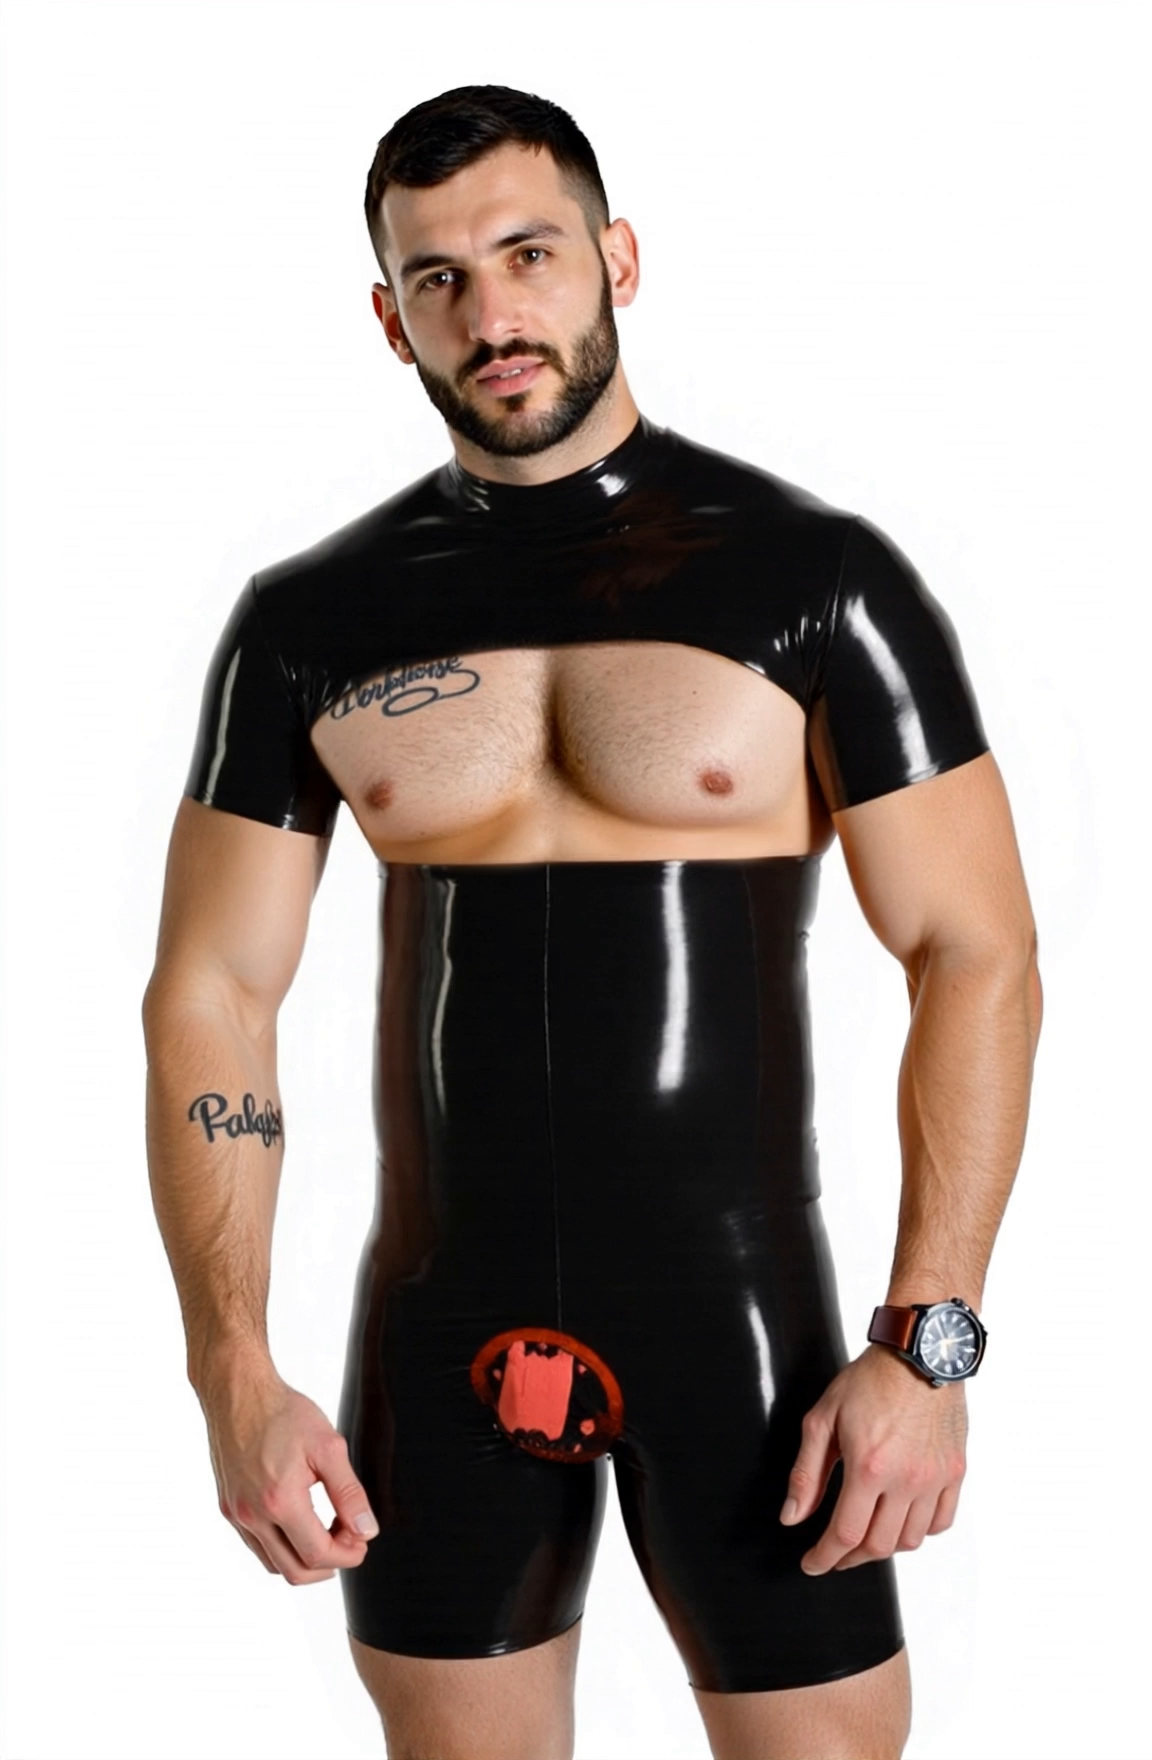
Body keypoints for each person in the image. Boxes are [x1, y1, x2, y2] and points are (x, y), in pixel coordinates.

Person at [143, 85, 1042, 1760]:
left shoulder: (814, 578)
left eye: (529, 254)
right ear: (389, 316)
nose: (492, 312)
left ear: (617, 259)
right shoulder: (311, 621)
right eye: (438, 277)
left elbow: (975, 952)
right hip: (436, 1327)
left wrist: (929, 1347)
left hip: (745, 1327)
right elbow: (212, 992)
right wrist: (232, 1372)